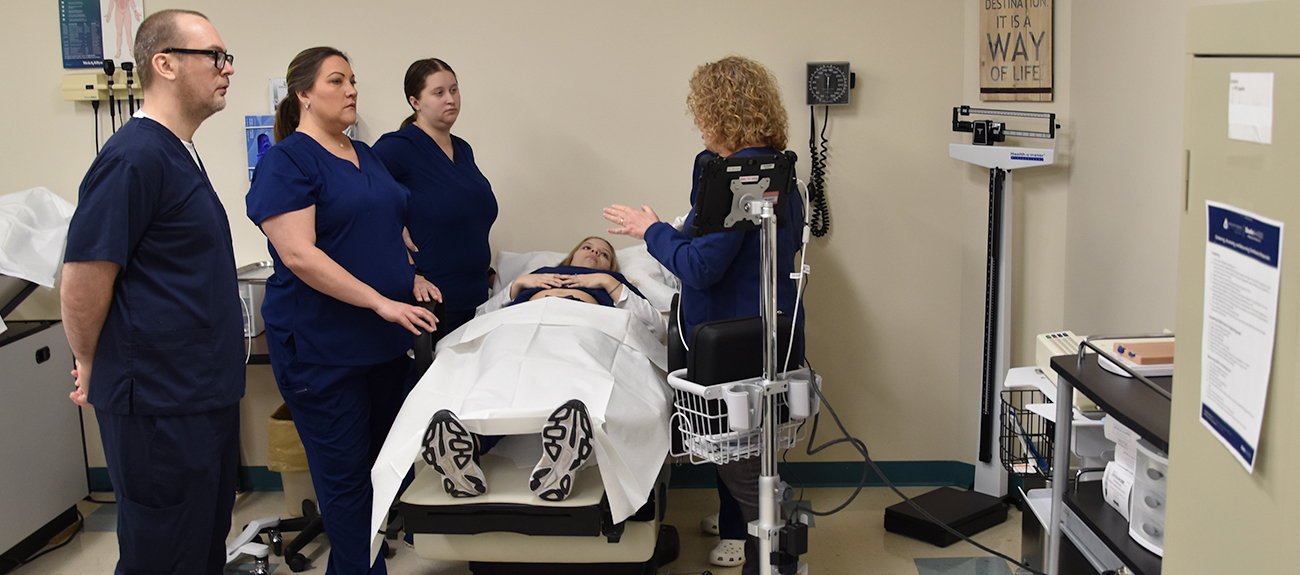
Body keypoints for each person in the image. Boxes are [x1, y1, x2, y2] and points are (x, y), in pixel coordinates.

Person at [604, 55, 804, 574]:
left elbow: (700, 267)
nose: (698, 122)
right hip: (766, 330)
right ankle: (740, 521)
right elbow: (716, 235)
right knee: (733, 440)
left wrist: (649, 230)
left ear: (719, 112)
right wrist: (681, 226)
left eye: (701, 111)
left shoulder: (741, 177)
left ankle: (770, 536)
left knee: (739, 452)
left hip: (732, 339)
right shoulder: (777, 169)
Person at [61, 10, 242, 575]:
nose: (227, 69)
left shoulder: (178, 151)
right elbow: (83, 278)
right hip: (160, 406)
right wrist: (90, 361)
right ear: (164, 64)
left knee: (199, 544)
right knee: (164, 555)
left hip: (196, 396)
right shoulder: (133, 156)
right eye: (214, 56)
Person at [245, 47, 437, 575]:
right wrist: (381, 300)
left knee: (380, 471)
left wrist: (407, 276)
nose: (352, 90)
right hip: (322, 348)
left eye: (353, 80)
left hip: (380, 344)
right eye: (337, 81)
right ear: (304, 94)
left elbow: (376, 230)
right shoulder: (287, 161)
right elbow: (300, 254)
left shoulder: (365, 154)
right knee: (347, 482)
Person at [422, 236, 666, 501]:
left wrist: (609, 282)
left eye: (604, 254)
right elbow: (483, 317)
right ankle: (469, 447)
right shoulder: (537, 276)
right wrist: (517, 284)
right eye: (587, 247)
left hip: (583, 325)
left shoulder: (614, 284)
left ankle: (563, 453)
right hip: (520, 324)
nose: (594, 253)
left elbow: (655, 326)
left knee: (569, 366)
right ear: (571, 255)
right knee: (502, 369)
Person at [373, 58, 497, 343]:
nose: (450, 99)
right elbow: (359, 199)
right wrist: (393, 227)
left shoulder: (462, 149)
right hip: (432, 300)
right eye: (438, 93)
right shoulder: (398, 147)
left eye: (454, 90)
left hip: (476, 295)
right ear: (415, 101)